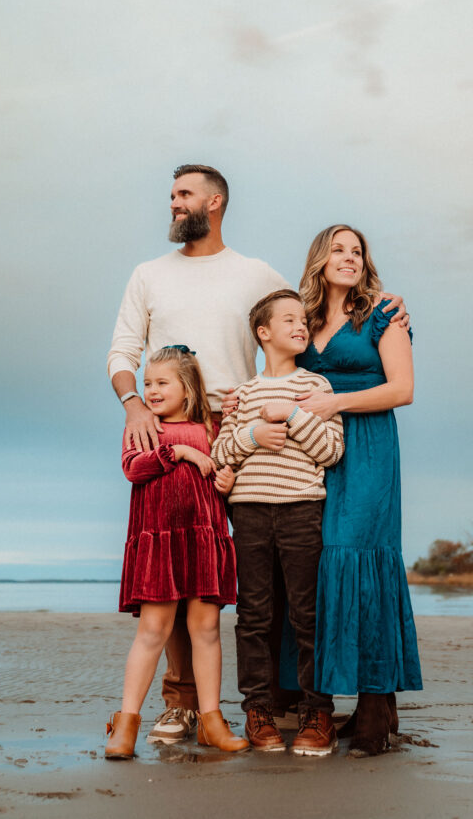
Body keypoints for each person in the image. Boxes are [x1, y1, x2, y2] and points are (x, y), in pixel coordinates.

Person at [108, 163, 408, 742]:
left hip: (243, 421)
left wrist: (378, 297)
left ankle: (283, 698)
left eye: (183, 194)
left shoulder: (255, 275)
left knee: (264, 574)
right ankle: (184, 700)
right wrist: (133, 405)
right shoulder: (148, 274)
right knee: (178, 560)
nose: (173, 203)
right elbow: (123, 349)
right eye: (171, 194)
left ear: (214, 202)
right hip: (173, 424)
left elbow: (312, 311)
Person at [295, 224, 423, 756]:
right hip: (314, 450)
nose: (348, 258)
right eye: (338, 250)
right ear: (320, 260)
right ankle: (347, 701)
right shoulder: (300, 319)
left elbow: (403, 389)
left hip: (368, 448)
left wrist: (336, 404)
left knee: (361, 556)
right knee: (323, 560)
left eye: (357, 251)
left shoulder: (383, 314)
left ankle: (375, 703)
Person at [211, 290, 344, 755]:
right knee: (255, 617)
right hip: (248, 513)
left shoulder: (316, 387)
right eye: (288, 319)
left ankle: (317, 712)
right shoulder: (242, 395)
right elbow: (220, 455)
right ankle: (258, 710)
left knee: (307, 614)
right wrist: (252, 433)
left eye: (303, 319)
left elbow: (331, 450)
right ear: (263, 333)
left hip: (302, 509)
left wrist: (294, 415)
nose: (301, 325)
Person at [105, 345, 248, 758]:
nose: (151, 390)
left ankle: (211, 721)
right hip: (160, 543)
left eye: (161, 382)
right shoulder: (143, 426)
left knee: (205, 631)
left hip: (204, 539)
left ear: (187, 388)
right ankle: (126, 724)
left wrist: (226, 481)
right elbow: (134, 467)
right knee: (153, 631)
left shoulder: (210, 427)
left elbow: (225, 471)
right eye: (147, 383)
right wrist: (179, 452)